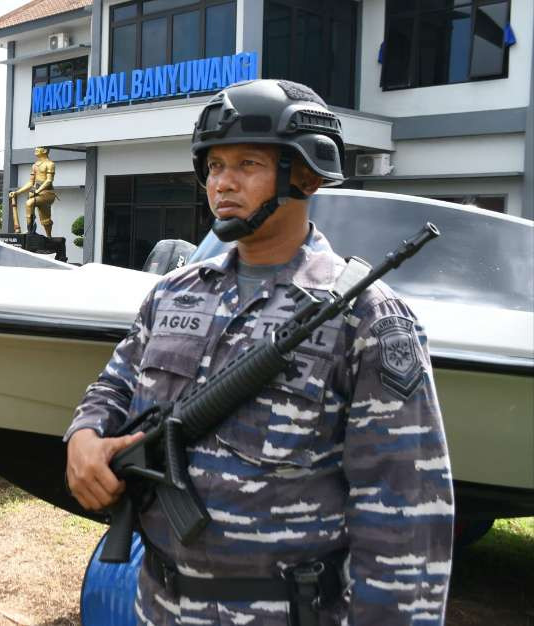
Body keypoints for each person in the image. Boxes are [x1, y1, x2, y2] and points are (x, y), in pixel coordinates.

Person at [64, 79, 454, 625]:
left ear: (307, 174)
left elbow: (406, 517)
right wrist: (83, 440)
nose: (223, 183)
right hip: (159, 605)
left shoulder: (367, 318)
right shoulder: (175, 292)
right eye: (215, 166)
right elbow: (113, 386)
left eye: (247, 164)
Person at [9, 146, 57, 236]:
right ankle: (33, 232)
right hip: (36, 194)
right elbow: (31, 182)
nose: (36, 149)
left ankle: (40, 235)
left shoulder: (50, 164)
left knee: (31, 204)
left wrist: (38, 191)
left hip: (47, 194)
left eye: (39, 148)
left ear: (45, 150)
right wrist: (17, 192)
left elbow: (49, 180)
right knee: (45, 219)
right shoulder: (35, 165)